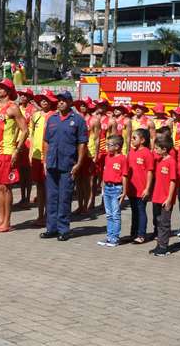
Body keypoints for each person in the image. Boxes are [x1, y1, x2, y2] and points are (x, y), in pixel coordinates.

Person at [41, 90, 88, 241]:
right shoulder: (52, 118)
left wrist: (79, 163)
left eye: (64, 100)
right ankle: (51, 228)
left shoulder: (78, 120)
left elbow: (82, 143)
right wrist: (45, 160)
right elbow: (46, 141)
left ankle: (63, 229)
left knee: (65, 197)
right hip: (52, 163)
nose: (60, 102)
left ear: (70, 102)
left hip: (68, 164)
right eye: (59, 100)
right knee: (52, 197)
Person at [0, 78, 28, 233]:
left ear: (9, 91)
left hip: (6, 152)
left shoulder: (13, 108)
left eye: (2, 88)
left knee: (5, 188)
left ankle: (7, 221)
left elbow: (24, 130)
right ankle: (0, 219)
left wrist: (17, 149)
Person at [97, 135, 128, 247]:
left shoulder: (122, 159)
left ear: (117, 147)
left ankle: (115, 237)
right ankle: (109, 236)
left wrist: (124, 191)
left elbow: (124, 176)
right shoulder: (107, 157)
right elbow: (105, 171)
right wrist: (103, 184)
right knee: (109, 214)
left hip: (116, 188)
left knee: (115, 214)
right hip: (107, 188)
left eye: (109, 145)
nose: (107, 147)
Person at [149, 136, 177, 257]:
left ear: (164, 149)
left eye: (156, 148)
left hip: (166, 198)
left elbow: (173, 181)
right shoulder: (159, 160)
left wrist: (169, 198)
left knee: (164, 223)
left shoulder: (171, 162)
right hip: (157, 196)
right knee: (158, 221)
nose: (154, 150)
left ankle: (164, 247)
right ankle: (159, 244)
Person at [28, 92, 53, 225]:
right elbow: (31, 135)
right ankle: (40, 216)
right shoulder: (35, 115)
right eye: (42, 99)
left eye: (46, 100)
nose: (44, 102)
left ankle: (49, 216)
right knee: (39, 187)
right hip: (37, 156)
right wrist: (30, 152)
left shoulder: (54, 116)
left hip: (48, 157)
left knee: (48, 187)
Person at [126, 128, 154, 244]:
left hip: (141, 188)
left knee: (141, 210)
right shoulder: (131, 152)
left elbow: (150, 172)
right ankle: (133, 233)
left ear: (142, 140)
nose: (131, 140)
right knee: (134, 211)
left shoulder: (147, 153)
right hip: (132, 188)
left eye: (134, 138)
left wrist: (147, 188)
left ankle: (141, 234)